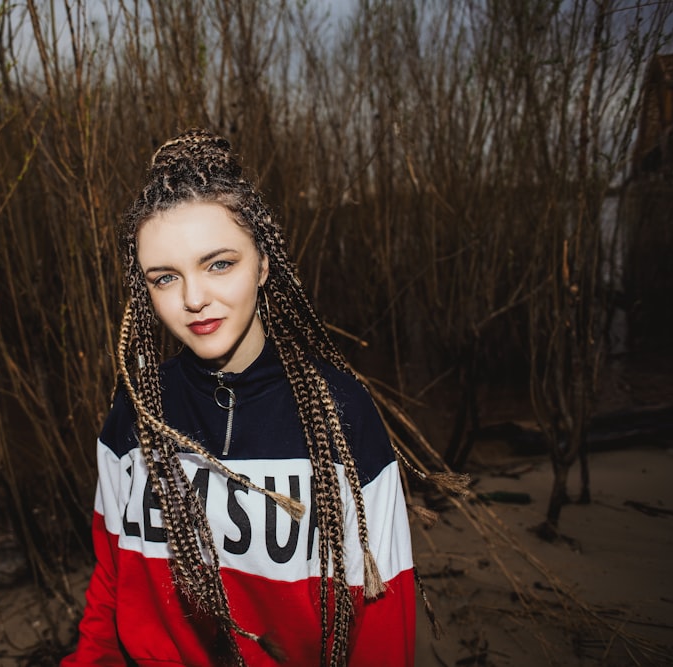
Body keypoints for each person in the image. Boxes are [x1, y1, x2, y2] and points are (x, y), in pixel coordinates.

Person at [61, 129, 415, 666]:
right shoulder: (135, 414)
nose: (194, 298)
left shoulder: (339, 414)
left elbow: (384, 624)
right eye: (164, 278)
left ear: (263, 264)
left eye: (219, 264)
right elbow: (112, 587)